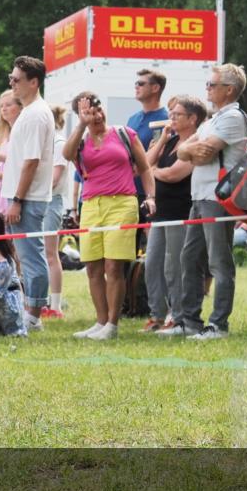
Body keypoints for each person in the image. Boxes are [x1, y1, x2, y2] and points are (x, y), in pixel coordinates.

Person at [64, 93, 156, 341]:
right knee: (93, 267)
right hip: (91, 205)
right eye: (90, 112)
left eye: (98, 109)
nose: (97, 115)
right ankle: (101, 321)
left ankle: (113, 324)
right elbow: (66, 154)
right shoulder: (80, 141)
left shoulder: (125, 133)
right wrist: (82, 125)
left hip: (122, 203)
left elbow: (145, 167)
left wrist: (150, 196)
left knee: (113, 265)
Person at [171, 63, 247, 340]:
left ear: (229, 90)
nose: (207, 88)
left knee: (219, 262)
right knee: (189, 258)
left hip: (217, 198)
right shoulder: (211, 120)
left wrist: (188, 150)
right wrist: (189, 149)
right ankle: (189, 322)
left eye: (212, 85)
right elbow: (181, 151)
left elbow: (203, 155)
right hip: (199, 196)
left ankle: (219, 325)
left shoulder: (233, 118)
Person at [3, 56, 55, 332]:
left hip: (29, 198)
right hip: (23, 196)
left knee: (32, 257)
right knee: (26, 256)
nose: (11, 83)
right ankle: (30, 310)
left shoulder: (36, 114)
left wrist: (17, 200)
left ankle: (33, 315)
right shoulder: (29, 112)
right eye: (10, 78)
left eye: (16, 79)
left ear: (33, 82)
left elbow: (31, 162)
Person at [144, 96, 204, 333]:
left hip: (180, 212)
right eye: (171, 114)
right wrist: (161, 142)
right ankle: (156, 315)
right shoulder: (170, 141)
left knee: (174, 266)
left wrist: (153, 171)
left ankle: (178, 317)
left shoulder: (195, 143)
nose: (171, 118)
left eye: (177, 114)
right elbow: (144, 163)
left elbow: (174, 174)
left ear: (192, 118)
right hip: (160, 212)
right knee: (152, 264)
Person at [42, 104, 69, 320]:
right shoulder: (43, 143)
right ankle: (41, 301)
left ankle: (56, 305)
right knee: (40, 254)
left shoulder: (59, 143)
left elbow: (55, 179)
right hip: (39, 202)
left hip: (51, 202)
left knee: (50, 254)